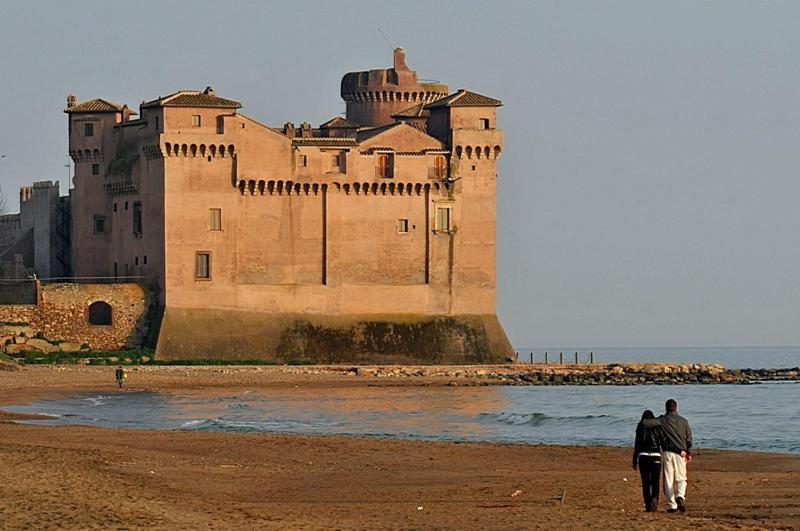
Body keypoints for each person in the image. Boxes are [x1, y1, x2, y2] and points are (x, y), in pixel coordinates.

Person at [642, 398, 693, 513]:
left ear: (666, 408)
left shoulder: (663, 420)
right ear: (676, 408)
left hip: (667, 453)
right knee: (682, 478)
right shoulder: (684, 421)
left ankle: (671, 505)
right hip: (681, 453)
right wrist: (688, 452)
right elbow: (689, 439)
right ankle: (680, 495)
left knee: (668, 480)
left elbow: (645, 423)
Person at [632, 409, 663, 512]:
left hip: (643, 456)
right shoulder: (658, 426)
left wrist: (634, 460)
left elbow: (637, 445)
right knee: (655, 481)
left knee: (645, 482)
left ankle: (648, 503)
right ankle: (655, 499)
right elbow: (662, 441)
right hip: (656, 456)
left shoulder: (640, 426)